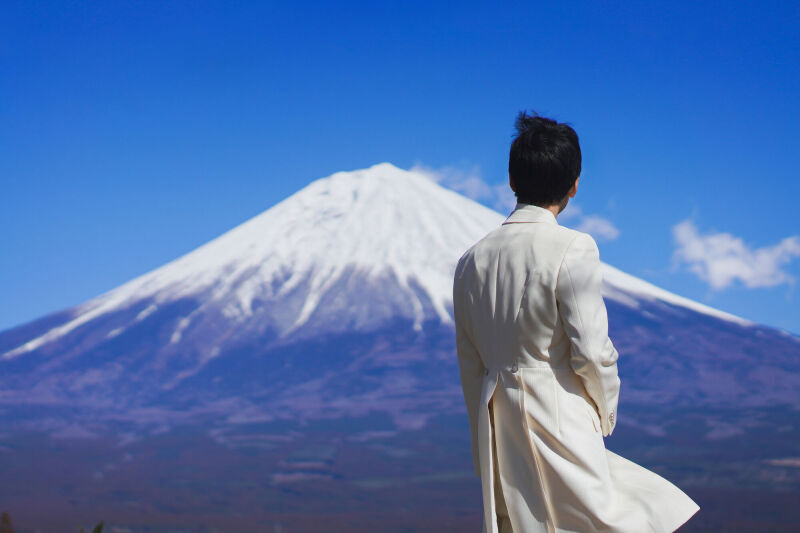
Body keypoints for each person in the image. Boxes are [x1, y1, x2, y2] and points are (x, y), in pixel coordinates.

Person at [453, 111, 700, 533]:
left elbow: (470, 364)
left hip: (499, 427)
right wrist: (603, 413)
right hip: (560, 414)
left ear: (512, 181)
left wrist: (484, 445)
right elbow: (591, 349)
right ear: (574, 185)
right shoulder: (572, 247)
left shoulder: (469, 261)